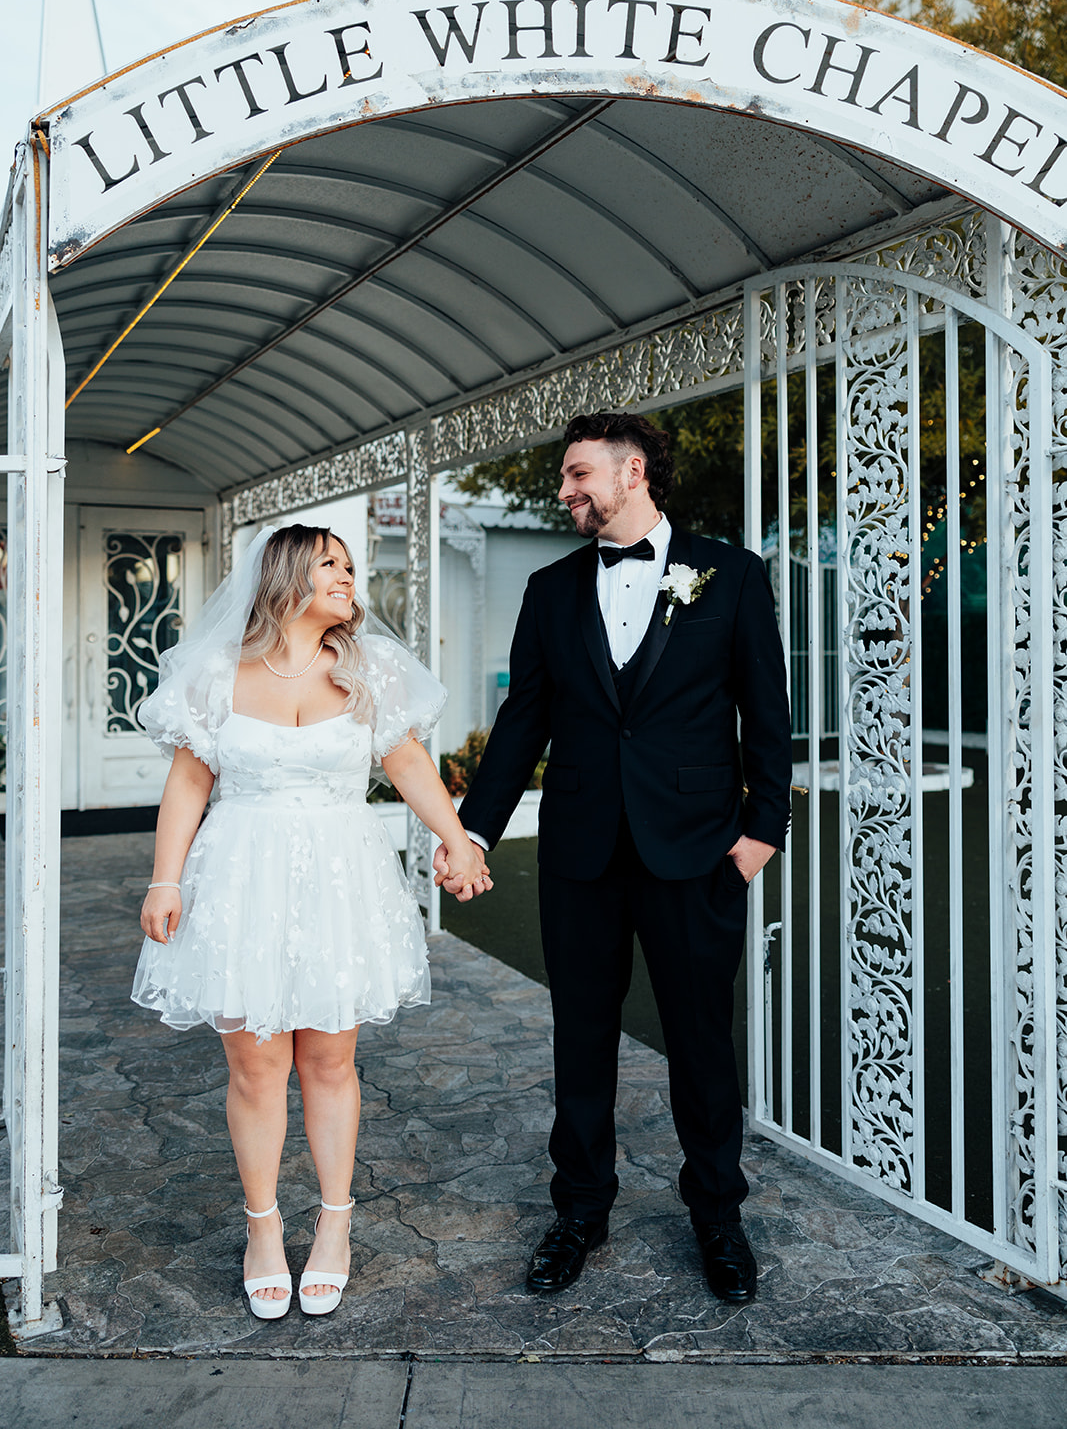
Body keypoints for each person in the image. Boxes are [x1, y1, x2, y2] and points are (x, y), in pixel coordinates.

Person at [436, 412, 792, 1304]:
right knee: (580, 1040)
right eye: (566, 477)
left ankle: (717, 1215)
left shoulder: (732, 575)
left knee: (702, 1043)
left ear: (632, 472)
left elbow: (767, 709)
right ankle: (579, 1211)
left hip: (699, 851)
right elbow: (524, 721)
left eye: (576, 474)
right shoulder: (550, 588)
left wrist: (761, 832)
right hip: (582, 853)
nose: (565, 491)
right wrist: (472, 830)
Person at [132, 524, 490, 1321]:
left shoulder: (371, 670)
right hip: (238, 878)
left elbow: (407, 766)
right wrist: (165, 879)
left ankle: (334, 1225)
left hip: (339, 882)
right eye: (331, 564)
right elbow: (189, 784)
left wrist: (457, 841)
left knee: (329, 1063)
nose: (348, 577)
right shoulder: (214, 675)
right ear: (287, 573)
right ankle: (263, 1230)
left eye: (350, 566)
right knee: (256, 1067)